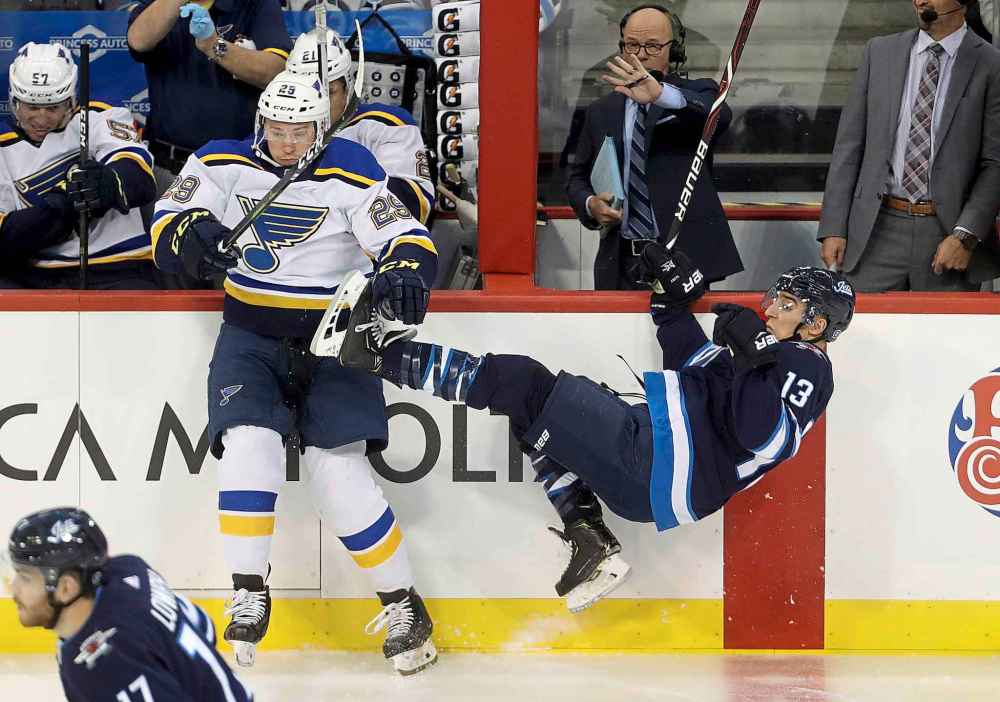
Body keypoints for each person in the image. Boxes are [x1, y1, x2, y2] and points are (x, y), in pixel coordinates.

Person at [317, 243, 854, 612]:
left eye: (787, 303)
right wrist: (671, 284)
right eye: (776, 295)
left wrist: (756, 353)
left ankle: (376, 354)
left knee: (525, 384)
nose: (771, 306)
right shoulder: (758, 356)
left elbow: (765, 437)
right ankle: (587, 536)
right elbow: (690, 349)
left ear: (817, 324)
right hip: (655, 463)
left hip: (659, 467)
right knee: (529, 415)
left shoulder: (807, 365)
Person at [149, 70, 439, 675]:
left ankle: (403, 602)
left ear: (320, 126)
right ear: (261, 122)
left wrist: (408, 271)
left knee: (339, 474)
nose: (285, 142)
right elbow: (168, 219)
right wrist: (192, 237)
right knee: (248, 445)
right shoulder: (219, 160)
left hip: (335, 339)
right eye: (275, 129)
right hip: (250, 337)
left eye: (298, 130)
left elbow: (404, 234)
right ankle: (249, 586)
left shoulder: (353, 166)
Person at [819, 0, 1000, 291]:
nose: (919, 0)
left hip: (947, 237)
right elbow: (849, 146)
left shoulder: (991, 64)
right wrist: (834, 227)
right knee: (859, 331)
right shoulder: (878, 52)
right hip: (875, 233)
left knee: (942, 337)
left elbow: (995, 163)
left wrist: (965, 236)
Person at [566, 4, 742, 290]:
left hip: (683, 259)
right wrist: (590, 204)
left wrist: (660, 95)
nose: (641, 55)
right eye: (633, 45)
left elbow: (719, 116)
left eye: (653, 46)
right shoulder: (600, 110)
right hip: (620, 263)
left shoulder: (697, 93)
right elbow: (575, 177)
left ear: (674, 51)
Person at [6, 507, 252, 701]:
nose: (13, 587)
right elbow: (203, 625)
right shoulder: (128, 569)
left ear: (66, 588)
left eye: (25, 578)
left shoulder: (103, 667)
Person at [0, 42, 158, 289]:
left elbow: (138, 178)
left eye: (53, 108)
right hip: (34, 277)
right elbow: (7, 237)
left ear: (71, 100)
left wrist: (107, 184)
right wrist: (65, 204)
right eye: (32, 107)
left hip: (119, 266)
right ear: (14, 101)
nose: (41, 119)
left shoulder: (99, 116)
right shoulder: (2, 147)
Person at [126, 0, 291, 189]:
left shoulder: (256, 4)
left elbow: (274, 71)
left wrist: (214, 45)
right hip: (168, 167)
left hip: (238, 169)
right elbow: (138, 41)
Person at [284, 30, 435, 225]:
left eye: (328, 93)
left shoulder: (387, 125)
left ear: (349, 87)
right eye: (305, 94)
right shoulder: (276, 134)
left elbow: (414, 207)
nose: (317, 104)